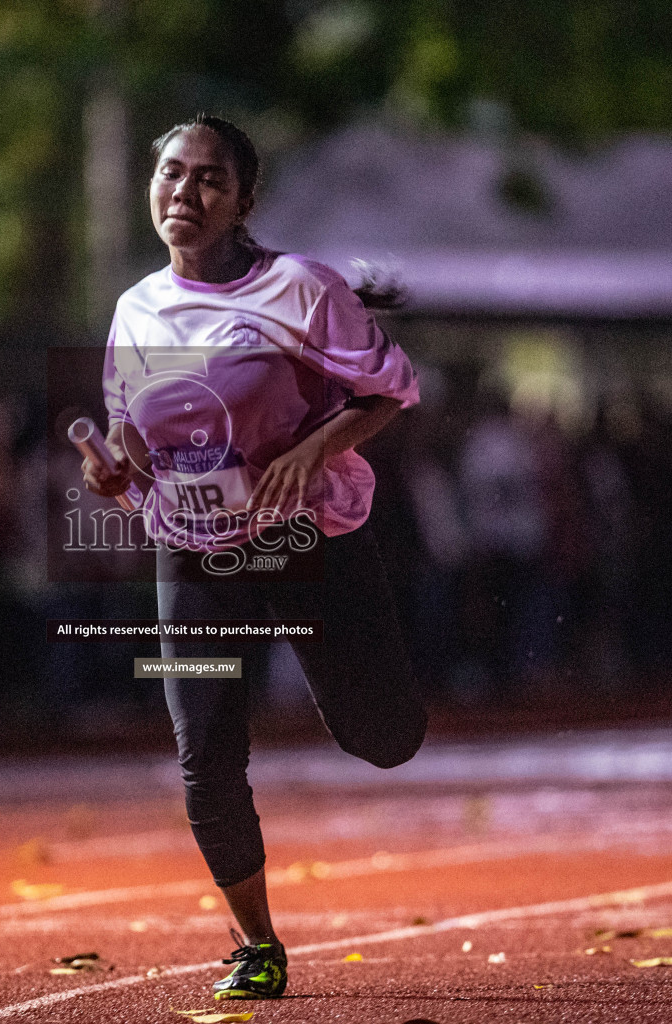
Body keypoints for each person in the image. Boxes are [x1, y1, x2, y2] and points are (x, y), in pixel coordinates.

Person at [83, 114, 426, 1001]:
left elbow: (392, 386)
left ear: (243, 201)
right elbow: (135, 432)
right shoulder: (135, 309)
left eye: (206, 180)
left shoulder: (300, 291)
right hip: (193, 551)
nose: (182, 194)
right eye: (168, 174)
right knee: (203, 751)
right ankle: (257, 943)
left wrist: (316, 451)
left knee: (383, 739)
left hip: (307, 540)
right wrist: (115, 468)